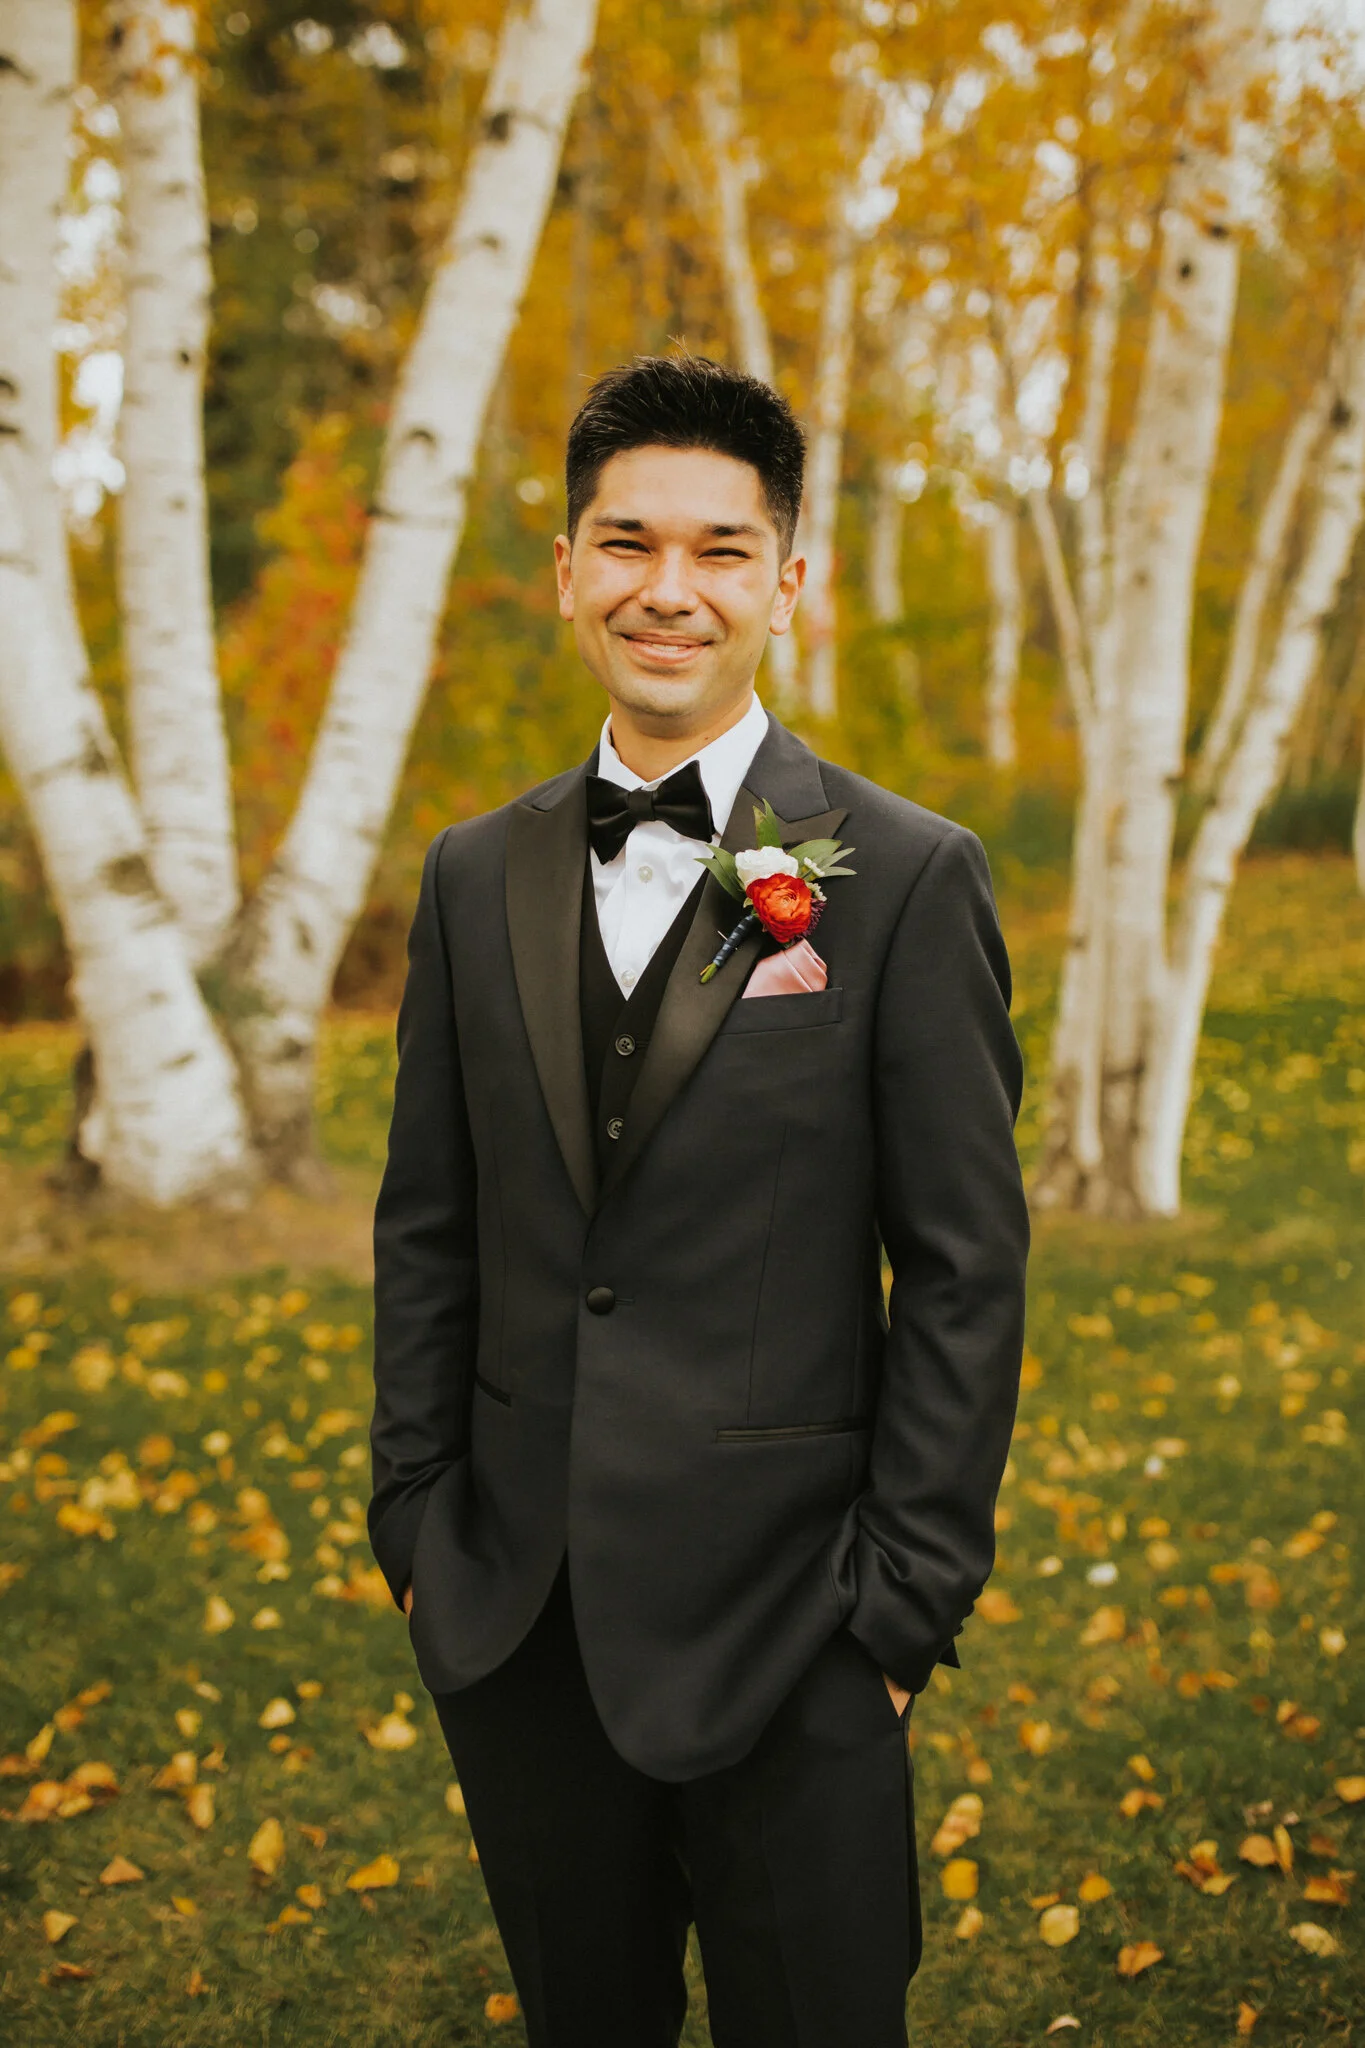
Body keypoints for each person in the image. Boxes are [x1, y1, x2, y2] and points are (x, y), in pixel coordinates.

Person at [368, 352, 1029, 2047]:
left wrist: (897, 1614)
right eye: (629, 542)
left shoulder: (908, 876)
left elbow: (964, 1269)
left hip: (797, 1621)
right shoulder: (471, 872)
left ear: (786, 584)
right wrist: (417, 1525)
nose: (670, 590)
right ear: (568, 570)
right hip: (519, 1613)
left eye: (721, 550)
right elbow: (430, 1221)